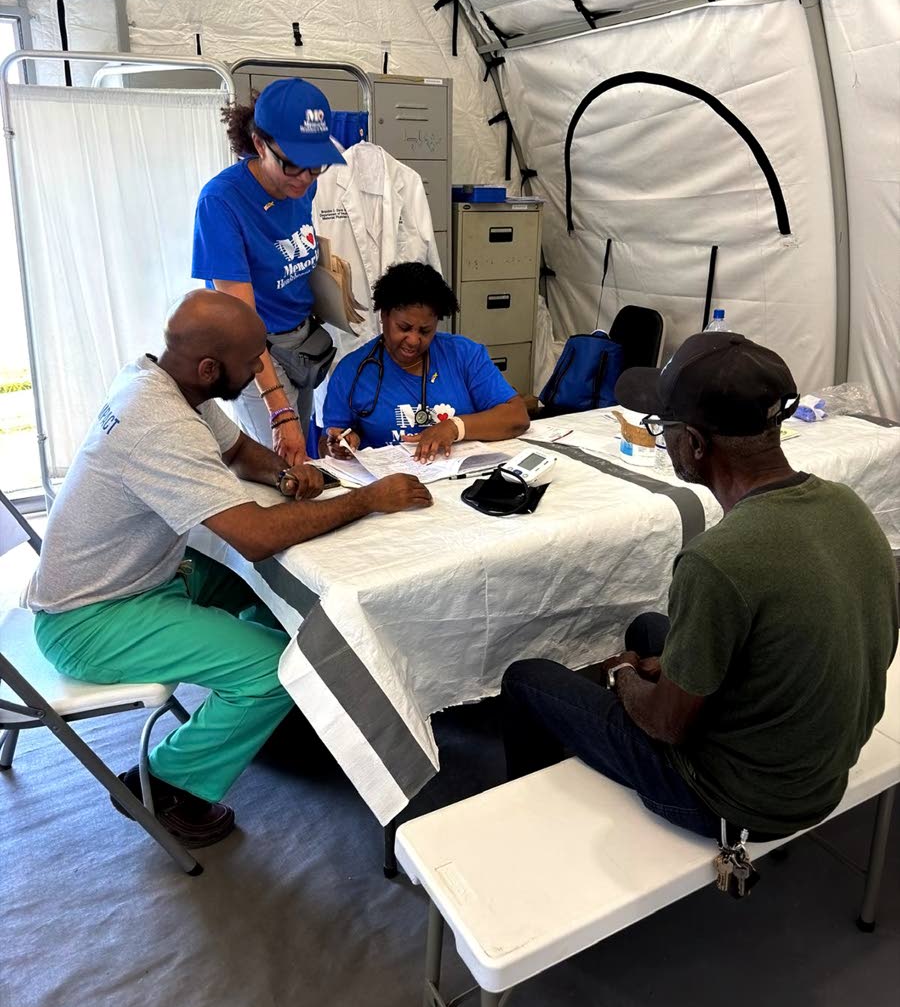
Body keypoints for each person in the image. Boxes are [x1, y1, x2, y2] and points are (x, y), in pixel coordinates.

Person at [25, 290, 431, 847]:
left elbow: (238, 451)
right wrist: (367, 499)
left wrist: (285, 477)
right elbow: (256, 537)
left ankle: (256, 711)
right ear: (210, 368)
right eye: (251, 364)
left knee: (276, 598)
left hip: (136, 578)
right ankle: (163, 785)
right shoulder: (162, 426)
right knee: (273, 668)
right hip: (89, 619)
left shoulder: (156, 379)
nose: (259, 373)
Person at [501, 332, 897, 842]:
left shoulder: (717, 560)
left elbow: (666, 725)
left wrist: (623, 676)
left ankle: (524, 837)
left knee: (526, 679)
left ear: (693, 442)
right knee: (648, 628)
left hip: (734, 800)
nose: (661, 437)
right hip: (821, 774)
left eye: (662, 426)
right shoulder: (847, 504)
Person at [192, 78, 346, 467]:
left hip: (301, 344)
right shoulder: (222, 202)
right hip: (253, 351)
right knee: (283, 467)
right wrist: (279, 410)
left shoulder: (302, 188)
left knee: (304, 455)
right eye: (292, 164)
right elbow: (241, 325)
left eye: (315, 167)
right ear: (259, 144)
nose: (305, 178)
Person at [321, 261, 530, 461]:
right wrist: (342, 445)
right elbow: (327, 444)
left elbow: (517, 417)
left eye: (425, 331)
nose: (413, 340)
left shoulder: (463, 354)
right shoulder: (352, 372)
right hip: (391, 488)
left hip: (459, 480)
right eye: (404, 328)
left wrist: (454, 427)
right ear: (383, 315)